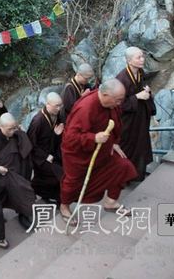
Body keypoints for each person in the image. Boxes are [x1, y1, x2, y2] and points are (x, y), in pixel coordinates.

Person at [59, 79, 138, 224]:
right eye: (118, 100)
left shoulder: (109, 104)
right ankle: (64, 206)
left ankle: (110, 202)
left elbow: (112, 123)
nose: (120, 104)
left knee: (123, 166)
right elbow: (70, 138)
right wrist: (93, 137)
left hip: (102, 148)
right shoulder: (86, 108)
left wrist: (114, 143)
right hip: (79, 154)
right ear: (106, 95)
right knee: (72, 182)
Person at [0, 113, 35, 229]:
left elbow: (22, 141)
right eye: (10, 129)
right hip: (3, 172)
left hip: (18, 166)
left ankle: (23, 214)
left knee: (20, 191)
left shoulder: (14, 132)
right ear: (1, 126)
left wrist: (20, 133)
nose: (13, 131)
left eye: (14, 127)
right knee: (13, 193)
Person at [116, 46, 157, 181]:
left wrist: (147, 91)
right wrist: (137, 97)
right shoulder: (121, 79)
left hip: (140, 118)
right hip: (128, 122)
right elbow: (117, 104)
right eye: (138, 57)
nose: (142, 59)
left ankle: (138, 175)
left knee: (141, 146)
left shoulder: (139, 72)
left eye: (142, 56)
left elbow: (142, 86)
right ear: (129, 60)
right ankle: (125, 178)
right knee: (128, 149)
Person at [27, 92, 66, 204]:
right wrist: (45, 156)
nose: (59, 109)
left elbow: (53, 136)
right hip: (39, 156)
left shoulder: (56, 115)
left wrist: (56, 134)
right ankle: (39, 190)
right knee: (58, 173)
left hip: (52, 151)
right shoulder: (38, 121)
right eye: (57, 106)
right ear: (48, 104)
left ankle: (52, 196)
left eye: (60, 105)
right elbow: (31, 143)